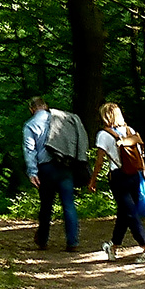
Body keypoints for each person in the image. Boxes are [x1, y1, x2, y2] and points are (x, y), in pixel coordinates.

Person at [89, 102, 145, 263]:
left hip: (118, 176)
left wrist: (93, 180)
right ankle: (112, 247)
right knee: (124, 213)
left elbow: (99, 161)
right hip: (135, 175)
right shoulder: (131, 132)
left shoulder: (104, 135)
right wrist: (144, 175)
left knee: (129, 213)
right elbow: (140, 156)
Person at [22, 97, 89, 251]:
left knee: (46, 205)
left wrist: (32, 172)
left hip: (45, 169)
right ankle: (72, 242)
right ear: (45, 106)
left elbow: (30, 150)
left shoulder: (30, 125)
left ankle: (43, 240)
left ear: (32, 109)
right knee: (68, 204)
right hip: (64, 166)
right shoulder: (64, 119)